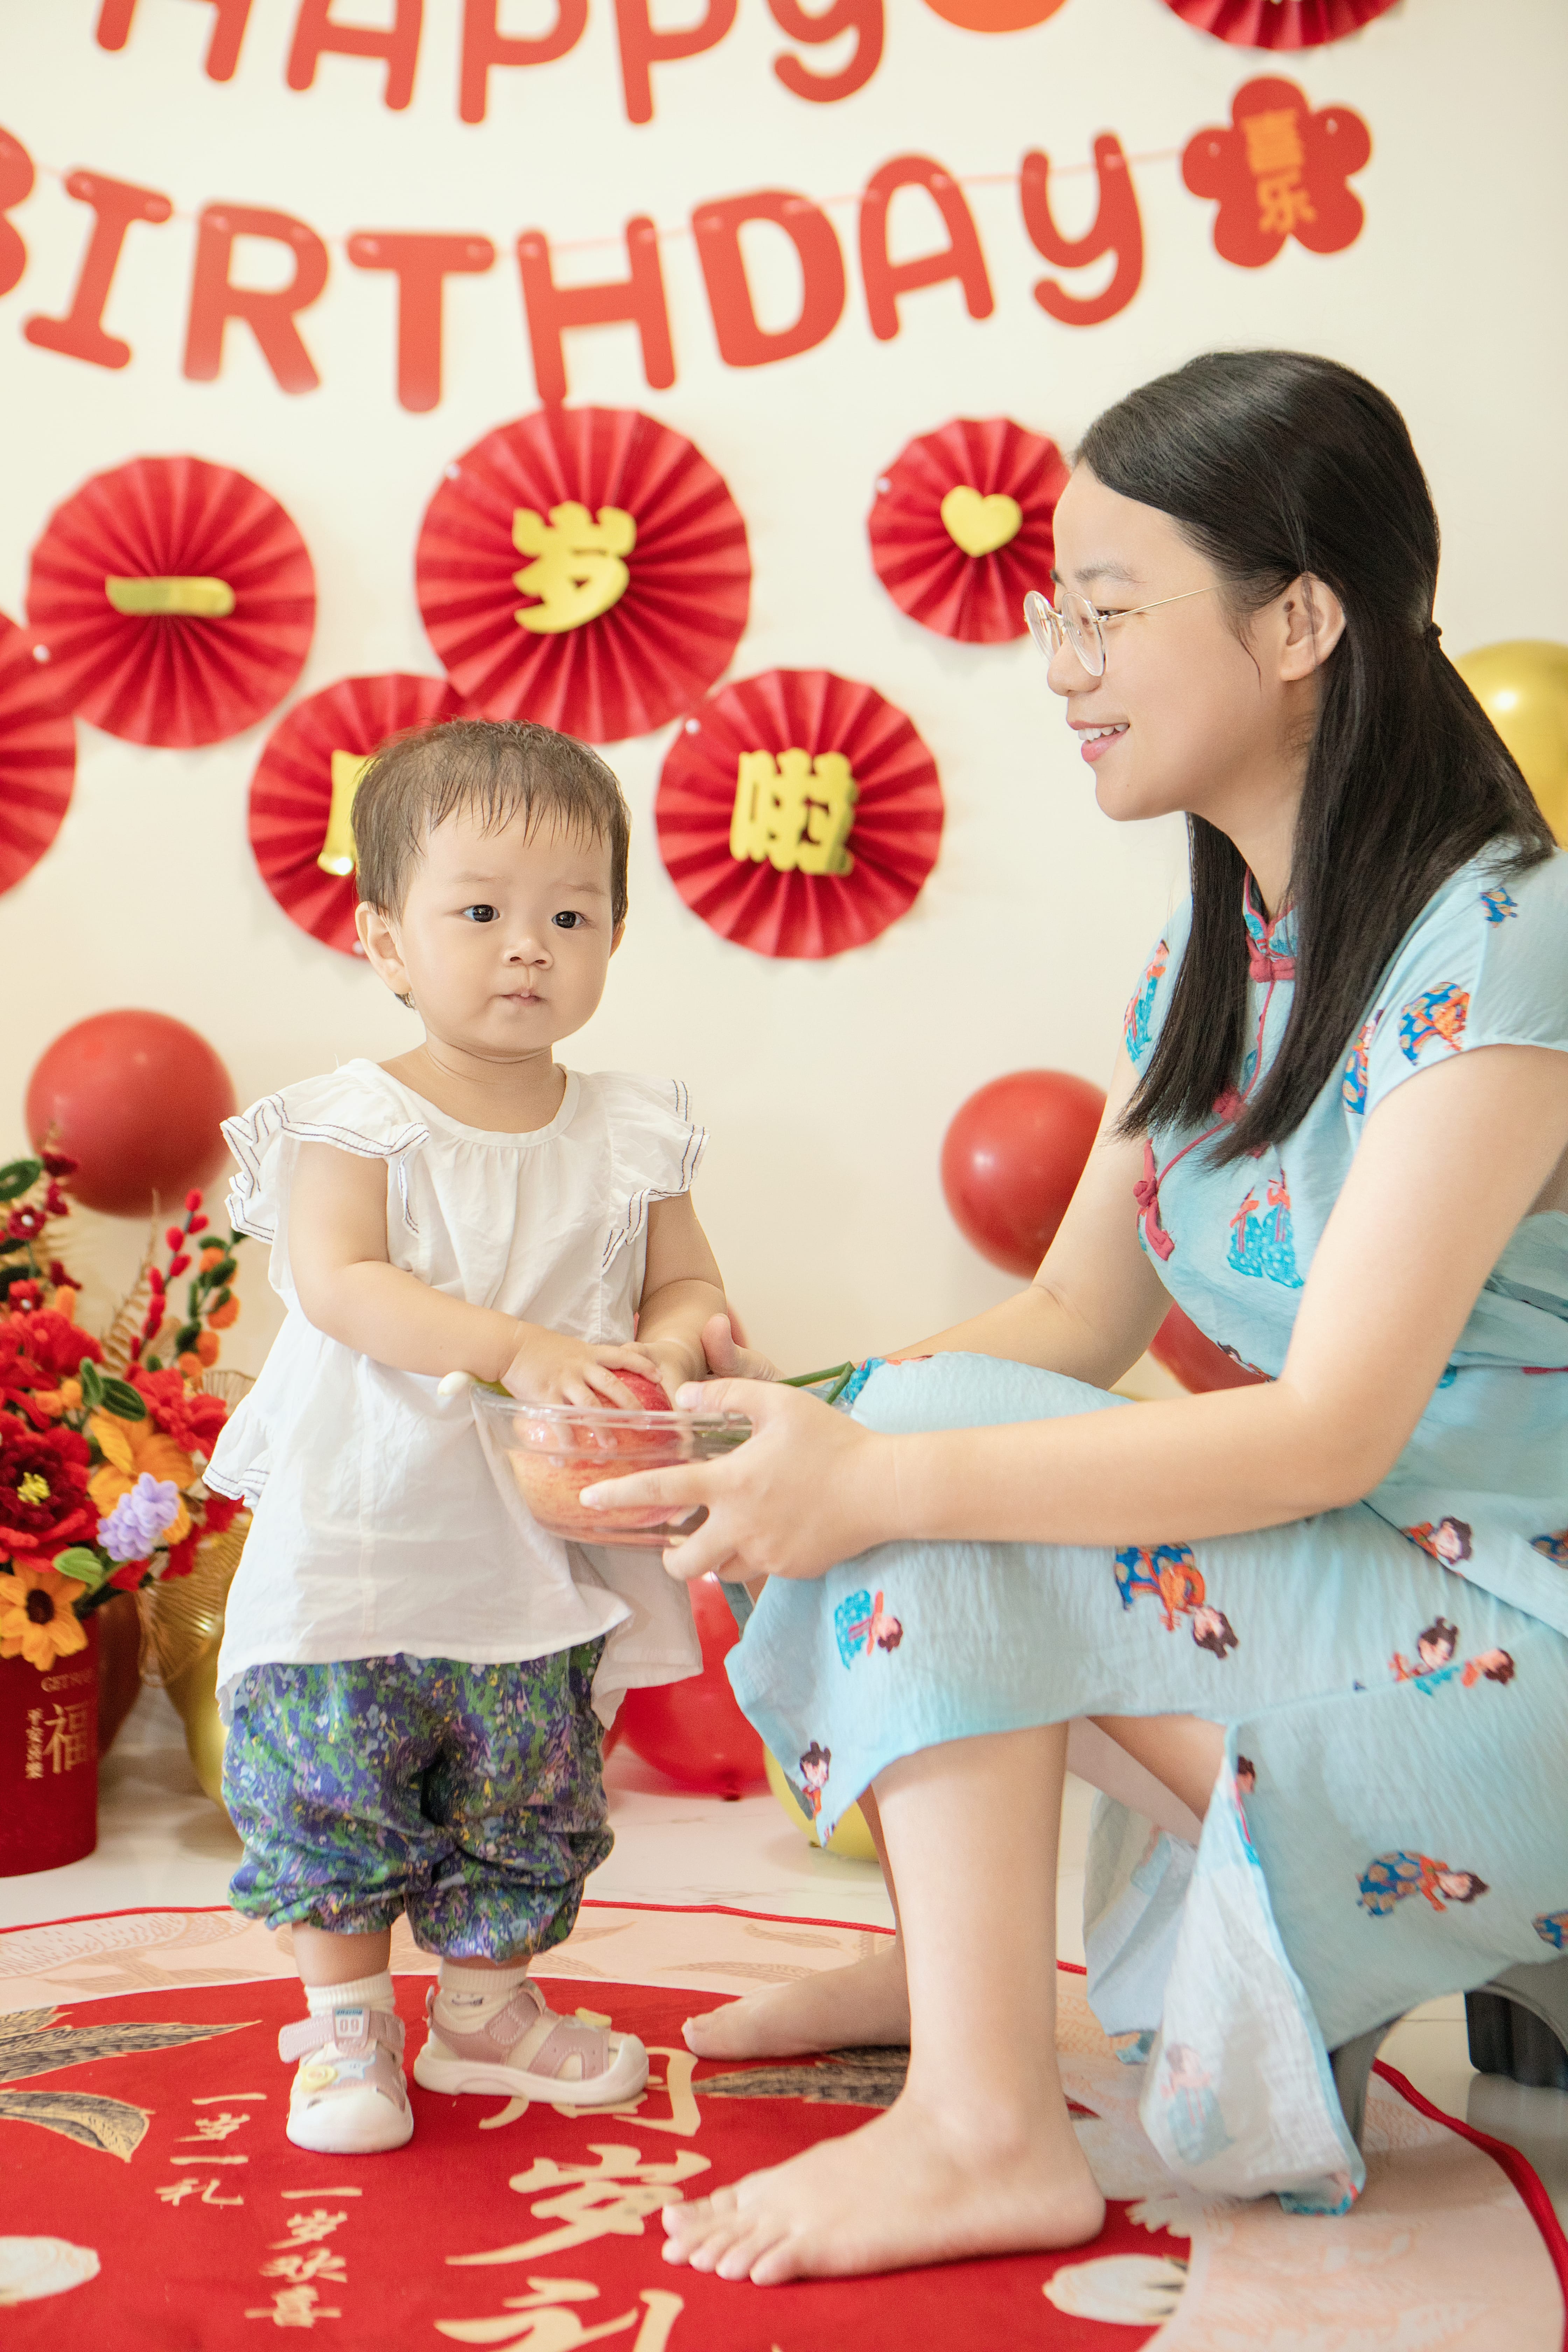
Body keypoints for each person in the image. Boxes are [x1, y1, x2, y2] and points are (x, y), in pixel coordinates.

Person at [584, 351, 1568, 2284]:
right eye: (1056, 615)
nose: (1060, 667)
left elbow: (1331, 1432)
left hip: (1514, 1631)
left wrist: (877, 1467)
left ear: (1299, 621)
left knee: (920, 1472)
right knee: (905, 1427)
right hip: (1363, 1585)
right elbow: (1062, 1316)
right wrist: (773, 1412)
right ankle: (957, 1976)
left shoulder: (1506, 935)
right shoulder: (1219, 943)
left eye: (1105, 612)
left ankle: (981, 2129)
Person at [208, 719, 742, 2157]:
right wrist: (518, 1347)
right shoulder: (357, 1121)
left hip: (533, 1544)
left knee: (527, 1773)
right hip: (367, 1536)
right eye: (481, 913)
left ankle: (484, 2010)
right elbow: (343, 1283)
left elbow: (686, 1283)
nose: (527, 949)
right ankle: (344, 2025)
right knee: (336, 1778)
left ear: (615, 935)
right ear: (386, 940)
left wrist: (669, 1346)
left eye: (570, 917)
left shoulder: (630, 1131)